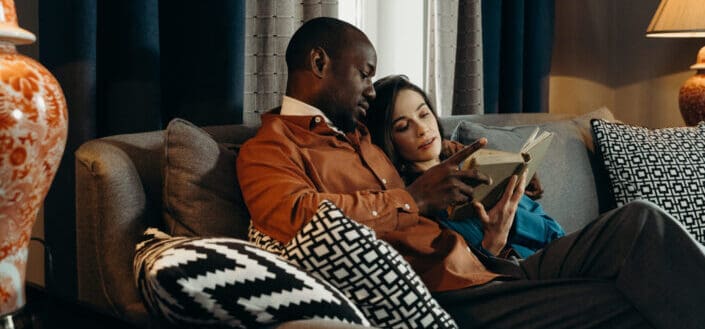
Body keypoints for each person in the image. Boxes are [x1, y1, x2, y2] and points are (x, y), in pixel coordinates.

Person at [237, 16, 705, 328]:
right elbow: (297, 216)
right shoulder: (270, 149)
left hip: (489, 270)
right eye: (365, 74)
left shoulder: (360, 135)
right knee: (634, 297)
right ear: (319, 63)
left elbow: (436, 148)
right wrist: (413, 200)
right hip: (452, 299)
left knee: (636, 224)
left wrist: (504, 171)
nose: (371, 91)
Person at [364, 74, 564, 258]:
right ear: (387, 140)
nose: (422, 129)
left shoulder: (480, 172)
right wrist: (493, 242)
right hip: (522, 281)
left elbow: (556, 233)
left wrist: (509, 216)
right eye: (403, 127)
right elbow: (459, 279)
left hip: (557, 262)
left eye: (424, 114)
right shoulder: (418, 207)